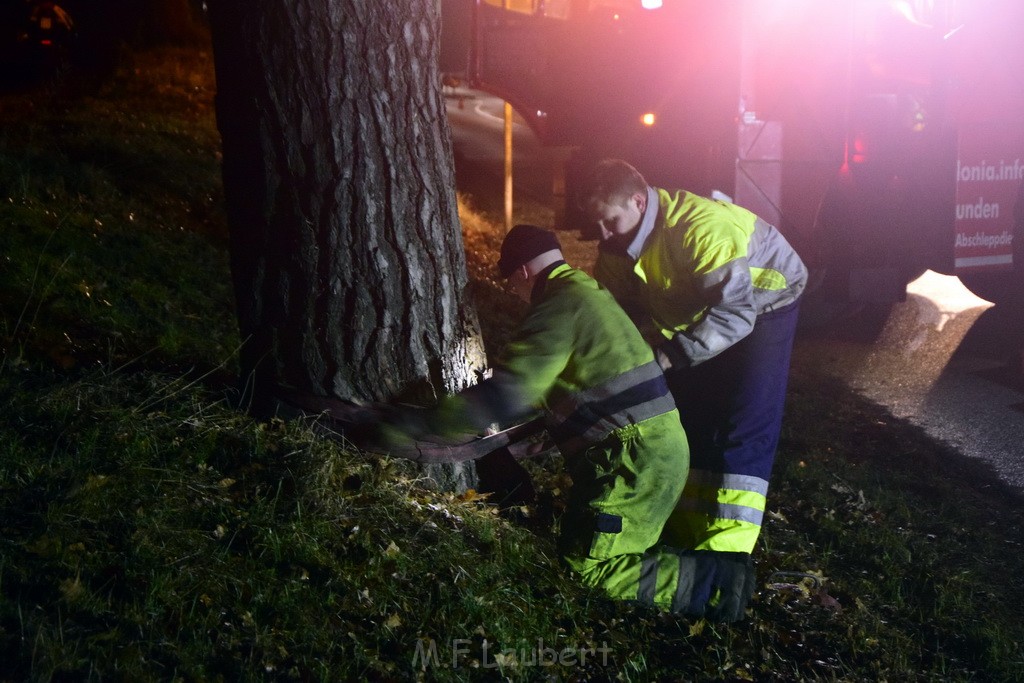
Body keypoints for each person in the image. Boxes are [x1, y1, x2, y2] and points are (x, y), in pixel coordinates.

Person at [381, 224, 754, 621]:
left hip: (630, 463)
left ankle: (718, 586)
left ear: (523, 271)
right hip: (656, 452)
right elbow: (574, 389)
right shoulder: (585, 292)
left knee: (588, 570)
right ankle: (705, 579)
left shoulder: (559, 305)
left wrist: (417, 427)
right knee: (618, 553)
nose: (512, 292)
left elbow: (510, 393)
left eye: (510, 282)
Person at [578, 159, 807, 557]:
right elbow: (618, 317)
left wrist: (670, 356)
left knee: (740, 420)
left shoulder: (699, 229)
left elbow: (736, 315)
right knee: (692, 416)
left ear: (638, 201)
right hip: (702, 312)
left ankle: (724, 553)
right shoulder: (616, 247)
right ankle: (684, 529)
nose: (601, 234)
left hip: (765, 300)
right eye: (594, 223)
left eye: (609, 221)